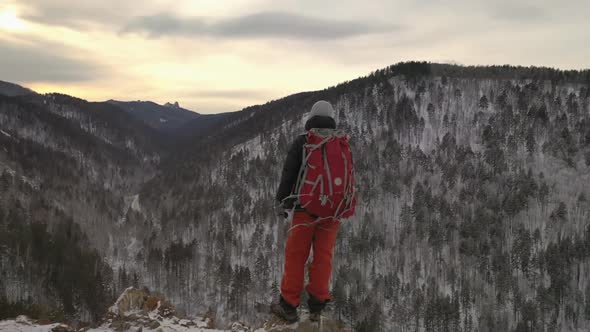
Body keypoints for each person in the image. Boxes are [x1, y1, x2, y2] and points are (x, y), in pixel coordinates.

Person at [271, 100, 354, 323]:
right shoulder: (340, 143)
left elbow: (289, 173)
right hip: (332, 212)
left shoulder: (304, 142)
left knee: (297, 256)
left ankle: (289, 305)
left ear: (310, 118)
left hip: (305, 209)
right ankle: (317, 306)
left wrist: (282, 202)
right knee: (323, 257)